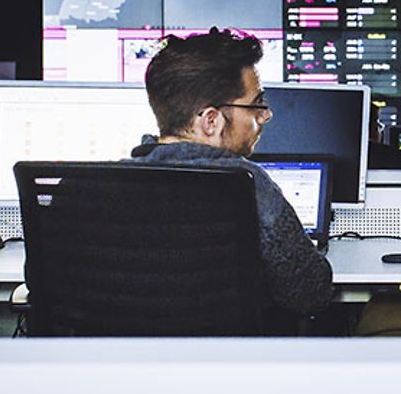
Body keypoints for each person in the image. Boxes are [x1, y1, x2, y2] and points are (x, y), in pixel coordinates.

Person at [130, 28, 334, 326]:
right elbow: (310, 292)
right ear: (211, 121)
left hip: (117, 366)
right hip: (234, 367)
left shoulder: (84, 188)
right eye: (257, 104)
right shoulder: (247, 185)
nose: (266, 115)